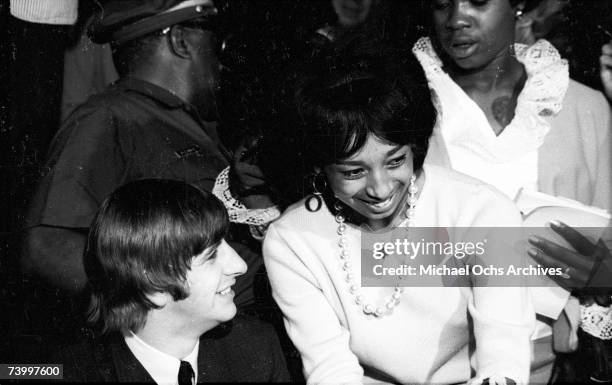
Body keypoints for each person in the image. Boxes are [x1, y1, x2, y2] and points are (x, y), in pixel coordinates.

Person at [263, 38, 534, 384]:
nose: (380, 189)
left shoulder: (482, 212)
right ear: (319, 167)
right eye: (353, 172)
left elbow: (503, 357)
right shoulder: (291, 240)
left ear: (415, 147)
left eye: (395, 161)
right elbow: (330, 368)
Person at [412, 0, 611, 382]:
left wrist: (603, 274)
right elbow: (369, 249)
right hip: (434, 365)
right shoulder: (406, 105)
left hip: (552, 363)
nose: (456, 19)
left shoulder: (585, 108)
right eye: (440, 4)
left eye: (479, 1)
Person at [21, 0, 266, 308]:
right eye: (217, 42)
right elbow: (45, 248)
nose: (222, 60)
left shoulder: (194, 124)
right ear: (180, 40)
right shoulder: (110, 117)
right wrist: (156, 307)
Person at [54, 179, 289, 383]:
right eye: (212, 255)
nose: (240, 266)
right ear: (153, 285)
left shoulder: (256, 346)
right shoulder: (71, 372)